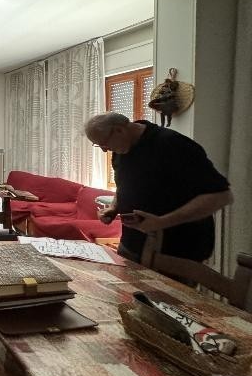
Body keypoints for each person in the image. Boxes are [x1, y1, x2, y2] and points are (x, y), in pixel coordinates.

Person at [84, 112, 232, 263]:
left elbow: (221, 196)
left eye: (104, 143)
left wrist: (162, 222)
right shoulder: (121, 151)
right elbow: (124, 185)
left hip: (176, 250)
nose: (105, 150)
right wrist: (114, 207)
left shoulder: (172, 144)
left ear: (119, 130)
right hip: (132, 245)